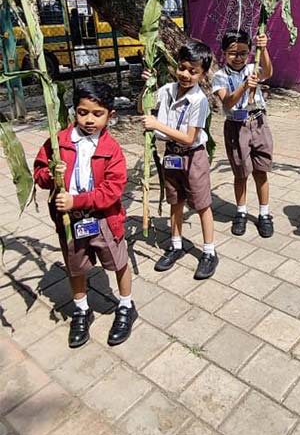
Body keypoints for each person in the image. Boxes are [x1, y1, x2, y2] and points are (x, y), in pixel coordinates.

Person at [34, 81, 136, 349]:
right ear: (73, 112)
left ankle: (126, 305)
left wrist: (77, 200)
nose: (89, 119)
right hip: (70, 221)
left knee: (118, 260)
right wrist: (50, 174)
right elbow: (40, 171)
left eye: (97, 113)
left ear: (110, 116)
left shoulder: (112, 150)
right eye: (82, 112)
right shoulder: (59, 142)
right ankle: (81, 309)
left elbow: (112, 190)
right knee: (74, 264)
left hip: (103, 218)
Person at [141, 40, 217, 280]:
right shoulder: (166, 91)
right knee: (175, 200)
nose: (186, 74)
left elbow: (189, 137)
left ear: (202, 74)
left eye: (193, 71)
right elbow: (143, 109)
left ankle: (209, 251)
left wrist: (157, 125)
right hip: (171, 155)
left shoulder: (199, 101)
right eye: (182, 68)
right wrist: (146, 88)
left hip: (193, 156)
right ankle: (175, 245)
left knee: (201, 203)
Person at [212, 29, 274, 238]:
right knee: (241, 172)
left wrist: (263, 49)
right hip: (236, 126)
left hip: (257, 122)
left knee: (261, 170)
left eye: (243, 53)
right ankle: (241, 211)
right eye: (232, 53)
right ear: (223, 53)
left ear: (249, 52)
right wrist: (244, 86)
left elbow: (267, 72)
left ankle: (264, 213)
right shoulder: (219, 76)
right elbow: (227, 102)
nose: (238, 58)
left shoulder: (252, 67)